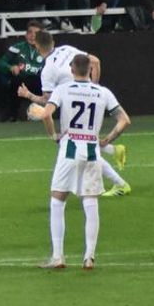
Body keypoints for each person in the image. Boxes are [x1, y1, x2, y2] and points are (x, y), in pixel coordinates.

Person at [38, 53, 131, 270]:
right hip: (92, 151)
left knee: (57, 201)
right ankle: (89, 257)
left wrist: (53, 136)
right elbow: (124, 120)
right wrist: (107, 140)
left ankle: (58, 256)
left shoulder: (63, 90)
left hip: (69, 149)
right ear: (90, 69)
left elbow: (45, 114)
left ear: (71, 69)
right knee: (90, 203)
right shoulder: (102, 92)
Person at [17, 31, 131, 196]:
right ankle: (114, 152)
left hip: (73, 106)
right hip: (88, 102)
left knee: (80, 147)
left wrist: (28, 95)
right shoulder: (67, 49)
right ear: (53, 41)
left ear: (37, 47)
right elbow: (96, 62)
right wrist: (94, 87)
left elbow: (47, 100)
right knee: (87, 143)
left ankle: (119, 181)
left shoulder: (48, 69)